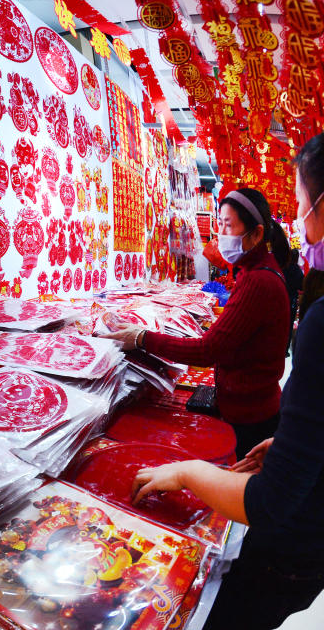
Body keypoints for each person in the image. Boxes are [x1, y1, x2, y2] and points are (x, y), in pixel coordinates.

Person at [130, 132, 324, 630]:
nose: (299, 225)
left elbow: (271, 502)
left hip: (293, 547)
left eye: (301, 206)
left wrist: (189, 472)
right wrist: (288, 443)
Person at [107, 188, 291, 458]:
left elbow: (207, 351)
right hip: (254, 407)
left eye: (228, 225)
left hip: (250, 418)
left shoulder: (258, 281)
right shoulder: (259, 272)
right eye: (220, 223)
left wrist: (142, 338)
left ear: (257, 234)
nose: (221, 234)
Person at [282, 246, 304, 353]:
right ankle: (285, 349)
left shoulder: (283, 268)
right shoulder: (298, 272)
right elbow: (301, 287)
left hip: (282, 298)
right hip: (292, 300)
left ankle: (279, 347)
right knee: (289, 324)